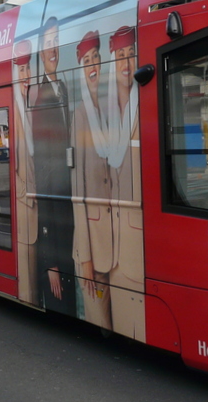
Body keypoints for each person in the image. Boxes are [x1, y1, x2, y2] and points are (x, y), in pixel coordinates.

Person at [30, 17, 76, 315]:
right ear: (40, 51)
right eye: (48, 43)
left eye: (57, 41)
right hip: (56, 228)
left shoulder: (62, 88)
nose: (54, 48)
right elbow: (45, 178)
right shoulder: (41, 98)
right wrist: (51, 262)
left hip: (68, 224)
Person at [71, 30, 114, 329]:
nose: (93, 63)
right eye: (87, 60)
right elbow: (77, 191)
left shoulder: (113, 110)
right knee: (102, 323)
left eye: (96, 56)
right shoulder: (80, 115)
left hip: (119, 247)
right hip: (94, 249)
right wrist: (84, 257)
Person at [106, 26, 146, 340]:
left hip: (135, 244)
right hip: (110, 248)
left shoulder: (145, 103)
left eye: (130, 54)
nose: (126, 62)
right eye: (120, 55)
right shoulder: (99, 113)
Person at [13, 40, 39, 305]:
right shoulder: (13, 107)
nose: (25, 75)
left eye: (28, 68)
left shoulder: (35, 102)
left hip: (40, 204)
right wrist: (26, 193)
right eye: (20, 69)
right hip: (25, 206)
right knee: (28, 285)